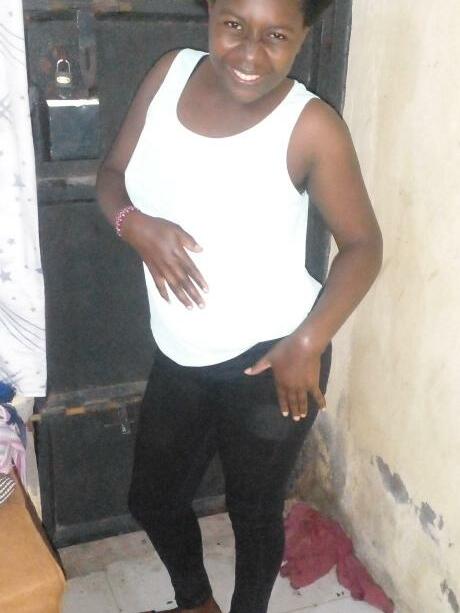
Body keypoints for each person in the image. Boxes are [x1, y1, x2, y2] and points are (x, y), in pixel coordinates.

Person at [96, 0, 383, 611]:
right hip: (181, 351)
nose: (250, 54)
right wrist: (132, 225)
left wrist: (308, 341)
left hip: (275, 357)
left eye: (276, 35)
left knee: (253, 510)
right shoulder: (169, 73)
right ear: (210, 14)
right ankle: (197, 602)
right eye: (233, 26)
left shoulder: (310, 126)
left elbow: (363, 246)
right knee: (152, 499)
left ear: (304, 35)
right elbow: (112, 174)